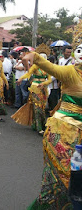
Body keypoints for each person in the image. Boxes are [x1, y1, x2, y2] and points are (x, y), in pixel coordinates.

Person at [21, 28, 82, 209]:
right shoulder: (71, 72)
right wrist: (36, 57)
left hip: (79, 136)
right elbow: (53, 69)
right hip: (62, 131)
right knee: (64, 178)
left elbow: (48, 78)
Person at [12, 44, 52, 135]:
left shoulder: (48, 67)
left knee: (42, 107)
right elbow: (28, 74)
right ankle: (39, 128)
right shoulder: (35, 66)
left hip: (43, 89)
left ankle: (39, 124)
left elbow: (49, 79)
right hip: (35, 88)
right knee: (37, 107)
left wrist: (44, 83)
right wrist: (21, 79)